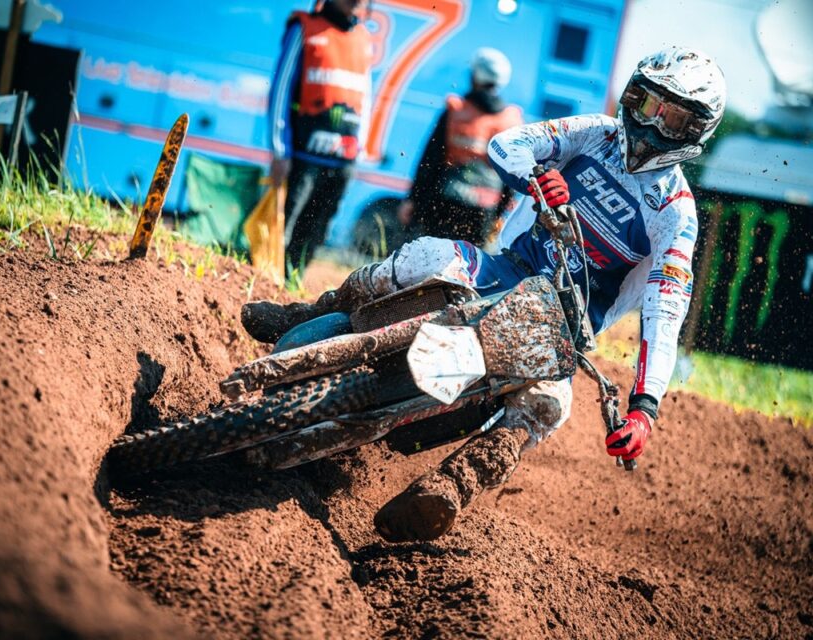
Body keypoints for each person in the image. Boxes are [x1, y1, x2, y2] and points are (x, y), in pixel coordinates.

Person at [243, 47, 726, 539]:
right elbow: (508, 142)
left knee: (548, 407)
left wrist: (644, 408)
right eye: (646, 103)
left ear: (695, 131)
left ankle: (452, 485)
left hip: (561, 327)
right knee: (424, 256)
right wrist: (537, 177)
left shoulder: (675, 212)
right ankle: (315, 309)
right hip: (505, 269)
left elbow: (667, 309)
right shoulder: (596, 133)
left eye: (671, 117)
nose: (651, 123)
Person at [267, 0, 373, 272]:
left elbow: (365, 98)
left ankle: (294, 281)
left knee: (317, 232)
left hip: (343, 161)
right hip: (303, 157)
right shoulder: (304, 27)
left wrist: (360, 149)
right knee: (283, 226)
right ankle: (268, 279)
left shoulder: (363, 38)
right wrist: (280, 150)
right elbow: (281, 89)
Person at [398, 48, 523, 247]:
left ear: (475, 76)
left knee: (431, 256)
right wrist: (500, 214)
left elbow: (430, 159)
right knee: (469, 263)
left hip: (445, 202)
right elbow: (512, 176)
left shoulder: (456, 110)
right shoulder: (511, 121)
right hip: (484, 211)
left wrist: (414, 199)